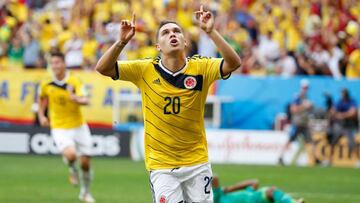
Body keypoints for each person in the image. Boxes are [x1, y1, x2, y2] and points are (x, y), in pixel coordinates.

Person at [95, 5, 242, 203]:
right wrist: (121, 42)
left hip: (197, 162)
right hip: (161, 165)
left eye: (177, 31)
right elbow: (103, 68)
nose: (172, 35)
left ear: (185, 41)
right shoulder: (144, 69)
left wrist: (210, 31)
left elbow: (234, 63)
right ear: (158, 46)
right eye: (165, 33)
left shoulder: (202, 67)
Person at [37, 52, 95, 203]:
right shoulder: (46, 82)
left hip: (79, 125)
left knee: (86, 163)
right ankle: (72, 170)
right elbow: (42, 99)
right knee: (71, 155)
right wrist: (42, 116)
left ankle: (85, 193)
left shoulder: (74, 80)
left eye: (57, 62)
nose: (55, 66)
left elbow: (86, 100)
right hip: (59, 126)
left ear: (64, 64)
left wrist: (76, 98)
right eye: (52, 63)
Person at [278, 79, 314, 165]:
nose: (306, 89)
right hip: (298, 122)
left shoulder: (306, 97)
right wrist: (304, 106)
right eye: (304, 87)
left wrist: (309, 107)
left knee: (310, 141)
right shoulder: (297, 97)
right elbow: (293, 109)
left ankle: (314, 159)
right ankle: (281, 157)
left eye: (307, 88)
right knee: (290, 140)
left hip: (305, 123)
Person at [212, 176, 304, 203]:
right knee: (271, 190)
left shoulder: (248, 192)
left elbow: (254, 182)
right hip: (256, 200)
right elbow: (214, 178)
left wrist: (230, 189)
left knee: (272, 191)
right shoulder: (217, 198)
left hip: (258, 198)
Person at [326, 88, 359, 166]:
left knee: (352, 144)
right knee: (333, 143)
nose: (342, 95)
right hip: (340, 126)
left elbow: (353, 113)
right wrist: (333, 113)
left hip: (349, 127)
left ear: (346, 94)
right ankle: (329, 160)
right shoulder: (340, 102)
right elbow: (333, 111)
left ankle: (358, 160)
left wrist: (342, 115)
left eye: (343, 93)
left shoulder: (352, 101)